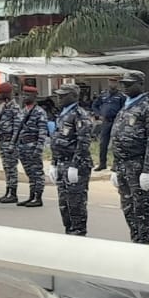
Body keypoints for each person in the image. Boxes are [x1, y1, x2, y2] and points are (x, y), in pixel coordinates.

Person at [110, 70, 149, 244]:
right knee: (128, 208)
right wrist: (114, 167)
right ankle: (136, 241)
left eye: (129, 84)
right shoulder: (125, 107)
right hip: (123, 166)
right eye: (123, 83)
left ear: (141, 84)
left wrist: (147, 170)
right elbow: (117, 139)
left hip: (139, 165)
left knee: (143, 209)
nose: (124, 87)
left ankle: (145, 245)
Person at [48, 84, 93, 235]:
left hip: (76, 165)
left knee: (76, 202)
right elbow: (56, 140)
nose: (59, 98)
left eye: (64, 95)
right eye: (59, 95)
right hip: (62, 163)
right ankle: (69, 231)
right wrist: (53, 163)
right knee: (64, 203)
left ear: (74, 96)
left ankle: (79, 232)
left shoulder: (80, 114)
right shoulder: (62, 114)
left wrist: (75, 165)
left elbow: (83, 142)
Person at [13, 86, 49, 207]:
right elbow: (17, 130)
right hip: (22, 147)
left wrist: (38, 149)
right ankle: (31, 196)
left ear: (34, 97)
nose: (24, 97)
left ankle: (38, 198)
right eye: (23, 94)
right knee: (29, 173)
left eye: (27, 95)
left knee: (37, 173)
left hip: (33, 146)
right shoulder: (23, 111)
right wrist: (14, 144)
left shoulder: (39, 112)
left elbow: (42, 132)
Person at [91, 79, 125, 171]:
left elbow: (124, 108)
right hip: (105, 121)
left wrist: (120, 117)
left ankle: (115, 164)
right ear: (108, 83)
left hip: (116, 121)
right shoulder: (103, 95)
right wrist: (98, 114)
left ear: (117, 83)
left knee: (116, 143)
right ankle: (102, 163)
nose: (112, 84)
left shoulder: (121, 96)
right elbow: (94, 105)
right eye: (111, 82)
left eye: (114, 82)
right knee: (103, 143)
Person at [0, 82, 21, 204]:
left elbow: (17, 128)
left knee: (11, 168)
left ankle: (13, 193)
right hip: (2, 141)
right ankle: (8, 191)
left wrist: (12, 143)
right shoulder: (3, 106)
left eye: (1, 93)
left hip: (10, 141)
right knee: (6, 167)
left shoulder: (14, 107)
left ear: (7, 94)